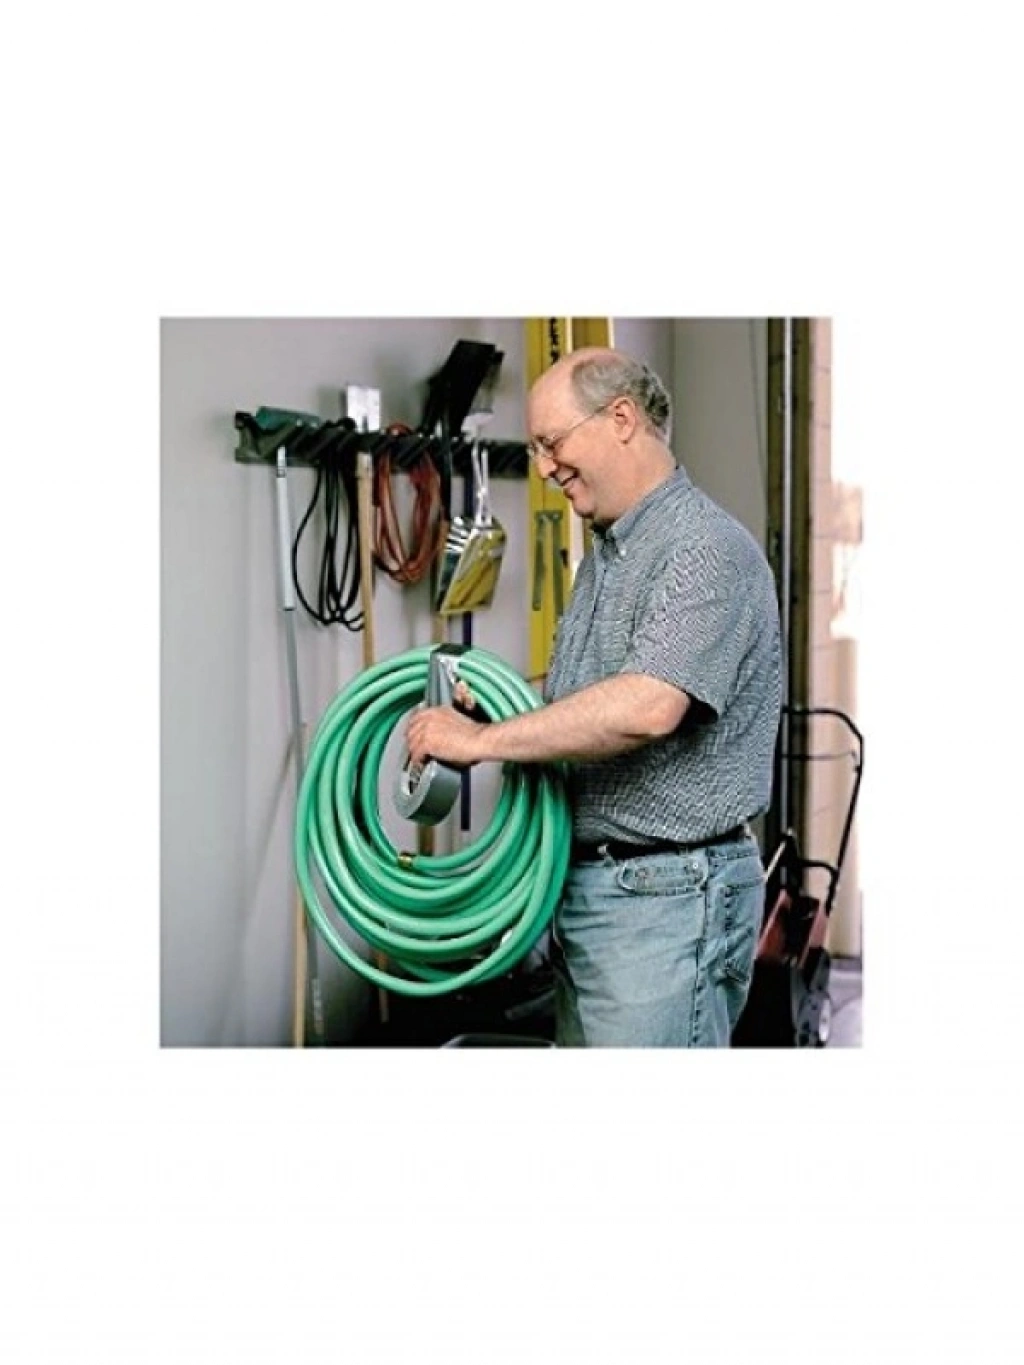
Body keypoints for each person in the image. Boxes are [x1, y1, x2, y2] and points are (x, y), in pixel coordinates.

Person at [406, 347, 782, 1047]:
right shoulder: (612, 551)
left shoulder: (703, 548)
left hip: (665, 900)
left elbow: (647, 705)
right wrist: (501, 700)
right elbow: (592, 692)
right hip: (605, 896)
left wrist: (481, 742)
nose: (544, 467)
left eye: (551, 443)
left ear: (621, 419)